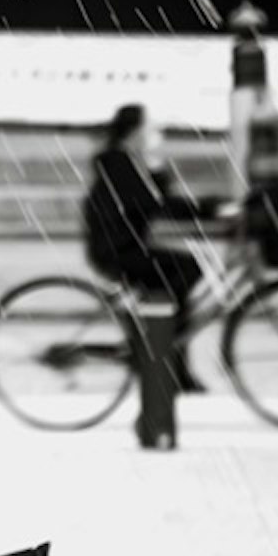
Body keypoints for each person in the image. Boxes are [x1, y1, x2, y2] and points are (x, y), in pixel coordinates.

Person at [85, 101, 211, 390]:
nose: (155, 135)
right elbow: (156, 204)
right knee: (184, 270)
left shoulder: (123, 161)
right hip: (118, 250)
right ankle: (163, 353)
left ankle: (166, 355)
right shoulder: (120, 163)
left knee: (178, 278)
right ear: (135, 132)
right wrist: (208, 209)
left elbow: (155, 202)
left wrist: (157, 171)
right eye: (150, 129)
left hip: (121, 246)